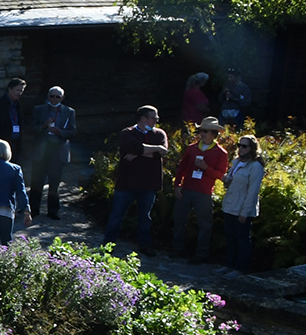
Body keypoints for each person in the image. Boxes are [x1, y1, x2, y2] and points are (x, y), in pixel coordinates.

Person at [104, 106, 170, 254]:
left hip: (149, 184)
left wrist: (138, 153)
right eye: (154, 118)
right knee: (116, 215)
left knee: (145, 217)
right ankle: (108, 244)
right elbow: (131, 147)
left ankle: (145, 245)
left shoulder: (159, 134)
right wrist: (153, 149)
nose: (156, 121)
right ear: (144, 118)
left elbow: (162, 152)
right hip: (127, 183)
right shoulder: (127, 133)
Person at [171, 117, 231, 262]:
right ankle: (178, 249)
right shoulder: (192, 148)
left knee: (205, 225)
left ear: (213, 133)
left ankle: (201, 253)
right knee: (179, 220)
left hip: (204, 193)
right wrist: (177, 185)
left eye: (205, 131)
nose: (201, 134)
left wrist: (206, 168)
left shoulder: (221, 153)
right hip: (186, 190)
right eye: (201, 130)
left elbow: (221, 175)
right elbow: (182, 168)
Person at [28, 86, 77, 218]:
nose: (54, 99)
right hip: (41, 151)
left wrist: (60, 132)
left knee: (55, 183)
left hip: (58, 150)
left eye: (57, 97)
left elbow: (73, 132)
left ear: (62, 98)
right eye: (52, 96)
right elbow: (31, 129)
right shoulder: (39, 110)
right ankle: (33, 209)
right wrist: (43, 126)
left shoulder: (69, 112)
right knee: (37, 182)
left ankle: (53, 211)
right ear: (48, 96)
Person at [220, 134, 265, 272]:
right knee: (230, 238)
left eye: (244, 146)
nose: (240, 148)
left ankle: (240, 269)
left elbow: (253, 192)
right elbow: (232, 182)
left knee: (242, 240)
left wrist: (244, 212)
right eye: (239, 145)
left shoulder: (256, 167)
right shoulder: (236, 162)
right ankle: (229, 265)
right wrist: (226, 180)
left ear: (252, 148)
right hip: (230, 206)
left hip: (242, 209)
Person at [0, 77, 27, 166]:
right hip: (1, 144)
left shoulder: (17, 104)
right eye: (17, 90)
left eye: (21, 91)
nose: (19, 93)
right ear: (10, 89)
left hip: (14, 142)